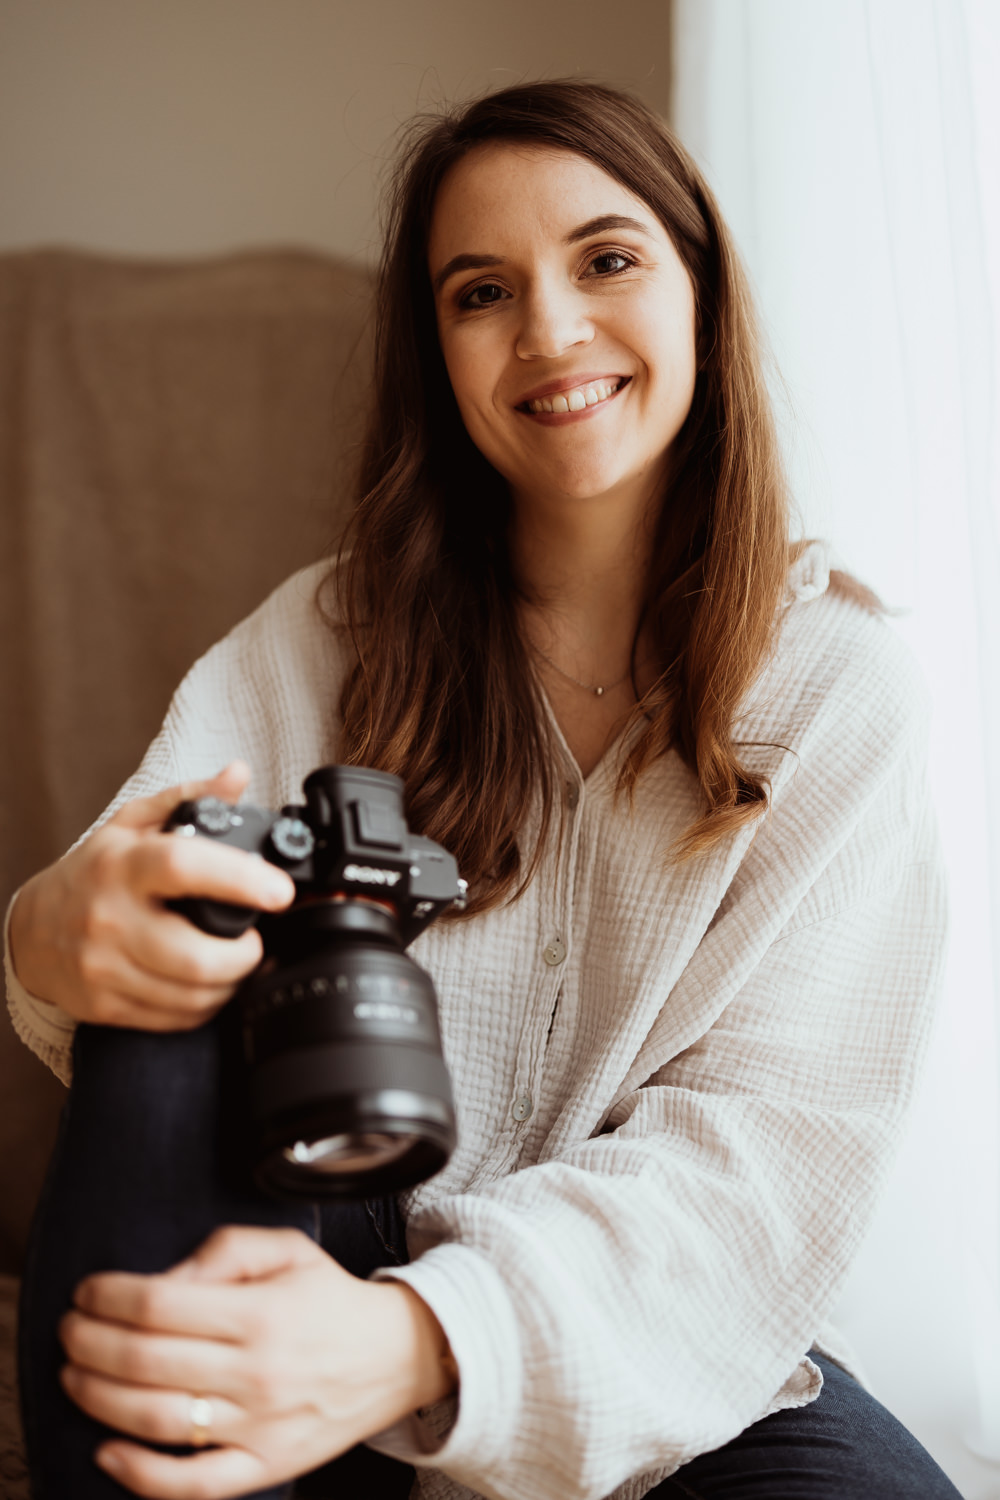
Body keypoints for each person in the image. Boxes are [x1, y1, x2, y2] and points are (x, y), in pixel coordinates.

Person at [5, 79, 959, 1500]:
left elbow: (762, 1165)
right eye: (481, 291)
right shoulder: (320, 638)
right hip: (297, 1239)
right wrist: (47, 926)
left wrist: (421, 1338)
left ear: (703, 288)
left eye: (609, 260)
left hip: (636, 1332)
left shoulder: (837, 697)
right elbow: (129, 911)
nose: (553, 331)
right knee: (176, 979)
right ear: (437, 352)